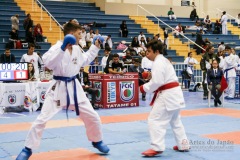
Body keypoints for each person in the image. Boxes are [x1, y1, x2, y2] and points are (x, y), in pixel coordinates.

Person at [16, 22, 109, 160]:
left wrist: (95, 47)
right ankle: (27, 149)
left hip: (74, 87)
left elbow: (84, 61)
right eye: (79, 34)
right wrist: (63, 48)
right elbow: (48, 64)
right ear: (71, 34)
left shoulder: (77, 49)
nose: (81, 37)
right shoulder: (56, 47)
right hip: (58, 87)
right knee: (42, 119)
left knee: (93, 116)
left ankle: (97, 140)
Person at [140, 40, 189, 157]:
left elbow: (158, 82)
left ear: (157, 51)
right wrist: (151, 75)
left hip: (168, 95)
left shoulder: (158, 62)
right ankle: (183, 144)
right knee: (175, 121)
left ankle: (157, 147)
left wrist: (143, 88)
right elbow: (162, 77)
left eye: (149, 52)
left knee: (154, 119)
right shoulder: (163, 60)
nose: (147, 54)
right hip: (175, 94)